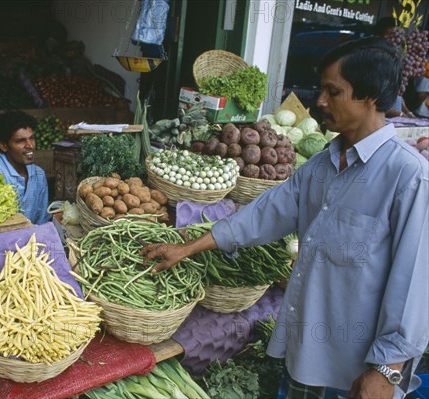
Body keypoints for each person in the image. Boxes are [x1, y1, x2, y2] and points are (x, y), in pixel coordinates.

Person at [142, 37, 428, 399]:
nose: (320, 101)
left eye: (333, 91)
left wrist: (387, 371)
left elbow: (415, 287)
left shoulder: (408, 177)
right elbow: (266, 212)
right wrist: (188, 248)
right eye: (322, 89)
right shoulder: (323, 165)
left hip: (359, 372)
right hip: (306, 354)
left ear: (370, 96)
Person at [0, 111, 50, 225]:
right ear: (4, 145)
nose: (30, 145)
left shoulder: (39, 174)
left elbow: (42, 220)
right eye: (20, 141)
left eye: (32, 138)